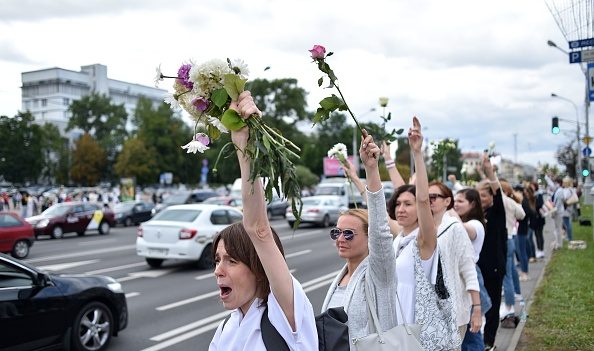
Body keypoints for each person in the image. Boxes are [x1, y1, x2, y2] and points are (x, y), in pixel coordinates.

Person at [209, 91, 318, 350]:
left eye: (231, 260)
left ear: (259, 268)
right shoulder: (226, 328)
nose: (218, 270)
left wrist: (243, 143)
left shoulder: (285, 314)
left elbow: (258, 230)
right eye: (217, 260)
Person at [321, 130, 399, 343]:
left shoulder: (379, 273)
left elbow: (381, 231)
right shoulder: (342, 275)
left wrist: (371, 169)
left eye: (349, 234)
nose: (340, 238)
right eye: (336, 232)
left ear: (368, 237)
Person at [388, 117, 459, 350]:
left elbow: (421, 199)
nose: (401, 209)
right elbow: (387, 198)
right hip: (395, 326)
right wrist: (378, 165)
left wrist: (417, 153)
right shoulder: (399, 238)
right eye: (398, 204)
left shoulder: (424, 241)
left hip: (418, 327)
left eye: (407, 205)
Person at [428, 181, 481, 340]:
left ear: (447, 201)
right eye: (425, 196)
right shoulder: (419, 229)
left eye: (433, 196)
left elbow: (468, 270)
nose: (428, 200)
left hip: (452, 310)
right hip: (426, 311)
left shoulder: (454, 228)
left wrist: (477, 308)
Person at [475, 153, 507, 350]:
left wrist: (490, 173)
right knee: (477, 305)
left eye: (484, 196)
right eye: (478, 196)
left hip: (494, 267)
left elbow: (498, 194)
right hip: (477, 268)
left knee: (493, 306)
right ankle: (477, 339)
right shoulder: (475, 215)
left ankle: (489, 342)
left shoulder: (497, 213)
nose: (480, 199)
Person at [453, 188, 491, 351]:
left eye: (460, 201)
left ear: (473, 204)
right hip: (460, 280)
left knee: (471, 333)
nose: (455, 204)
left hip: (470, 279)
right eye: (454, 200)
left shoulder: (475, 224)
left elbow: (463, 230)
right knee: (465, 334)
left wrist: (447, 209)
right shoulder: (455, 221)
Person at [529, 182, 546, 259]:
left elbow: (540, 205)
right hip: (534, 218)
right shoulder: (533, 195)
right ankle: (539, 249)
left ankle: (541, 250)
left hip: (539, 217)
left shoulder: (538, 195)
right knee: (536, 234)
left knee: (539, 234)